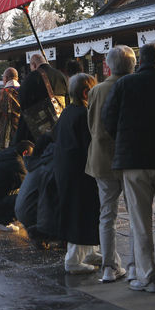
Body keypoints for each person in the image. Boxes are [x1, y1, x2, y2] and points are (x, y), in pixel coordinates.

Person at [102, 42, 155, 293]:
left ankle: (149, 277)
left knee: (140, 222)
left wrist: (125, 139)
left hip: (133, 160)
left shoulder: (124, 84)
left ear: (141, 61)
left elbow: (109, 120)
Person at [86, 45, 137, 283]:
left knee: (107, 214)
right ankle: (136, 266)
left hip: (102, 157)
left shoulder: (97, 90)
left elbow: (91, 124)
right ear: (133, 64)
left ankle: (109, 267)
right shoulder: (135, 86)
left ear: (108, 65)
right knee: (137, 214)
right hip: (131, 157)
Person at [54, 73, 101, 274]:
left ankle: (90, 250)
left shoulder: (67, 112)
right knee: (80, 213)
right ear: (86, 92)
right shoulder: (84, 114)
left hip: (67, 169)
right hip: (80, 171)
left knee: (84, 211)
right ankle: (73, 259)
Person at [14, 53, 69, 143]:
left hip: (40, 128)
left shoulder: (31, 78)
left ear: (34, 65)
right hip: (61, 123)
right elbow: (68, 99)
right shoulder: (61, 75)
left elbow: (23, 101)